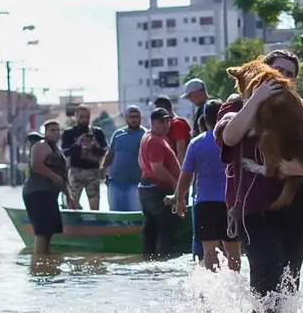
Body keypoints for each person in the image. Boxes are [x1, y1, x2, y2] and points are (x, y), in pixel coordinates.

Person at [218, 49, 303, 313]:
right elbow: (230, 136)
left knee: (290, 273)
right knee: (267, 266)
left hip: (300, 202)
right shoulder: (234, 108)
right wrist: (256, 98)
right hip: (254, 205)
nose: (282, 77)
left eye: (289, 74)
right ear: (262, 70)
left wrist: (293, 169)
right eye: (277, 71)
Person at [173, 99, 241, 272]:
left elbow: (186, 175)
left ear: (204, 119)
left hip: (205, 204)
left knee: (209, 250)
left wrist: (179, 199)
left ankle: (212, 288)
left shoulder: (197, 143)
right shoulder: (235, 140)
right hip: (231, 203)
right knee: (233, 251)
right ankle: (235, 289)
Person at [22, 121, 78, 255]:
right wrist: (53, 177)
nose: (56, 133)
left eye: (58, 130)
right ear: (45, 132)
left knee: (49, 231)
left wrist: (69, 197)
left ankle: (46, 262)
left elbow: (62, 177)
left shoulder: (57, 150)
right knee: (42, 231)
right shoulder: (41, 145)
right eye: (52, 130)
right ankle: (40, 262)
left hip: (50, 194)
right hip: (37, 192)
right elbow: (36, 165)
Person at [138, 107, 183, 256]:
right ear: (153, 123)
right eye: (161, 121)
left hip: (149, 187)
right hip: (157, 189)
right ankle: (165, 261)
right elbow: (157, 168)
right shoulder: (154, 141)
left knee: (152, 227)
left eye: (168, 120)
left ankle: (150, 259)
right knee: (165, 226)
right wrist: (176, 184)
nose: (166, 124)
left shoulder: (151, 137)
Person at [60, 105, 107, 210]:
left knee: (94, 202)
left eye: (87, 117)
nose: (85, 120)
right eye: (81, 117)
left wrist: (93, 147)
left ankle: (94, 224)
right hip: (75, 171)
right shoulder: (69, 133)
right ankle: (73, 224)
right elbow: (65, 152)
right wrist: (77, 144)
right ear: (76, 116)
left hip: (93, 171)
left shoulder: (97, 132)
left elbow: (105, 151)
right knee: (72, 202)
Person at [100, 105, 146, 212]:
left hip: (136, 183)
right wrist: (103, 166)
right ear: (126, 118)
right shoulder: (118, 134)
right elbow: (110, 153)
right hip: (115, 182)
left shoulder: (146, 135)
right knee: (116, 214)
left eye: (136, 116)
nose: (134, 119)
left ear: (140, 118)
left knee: (135, 215)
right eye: (131, 117)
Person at [153, 95, 191, 165]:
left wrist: (177, 173)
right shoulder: (166, 125)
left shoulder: (177, 124)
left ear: (169, 111)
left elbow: (181, 152)